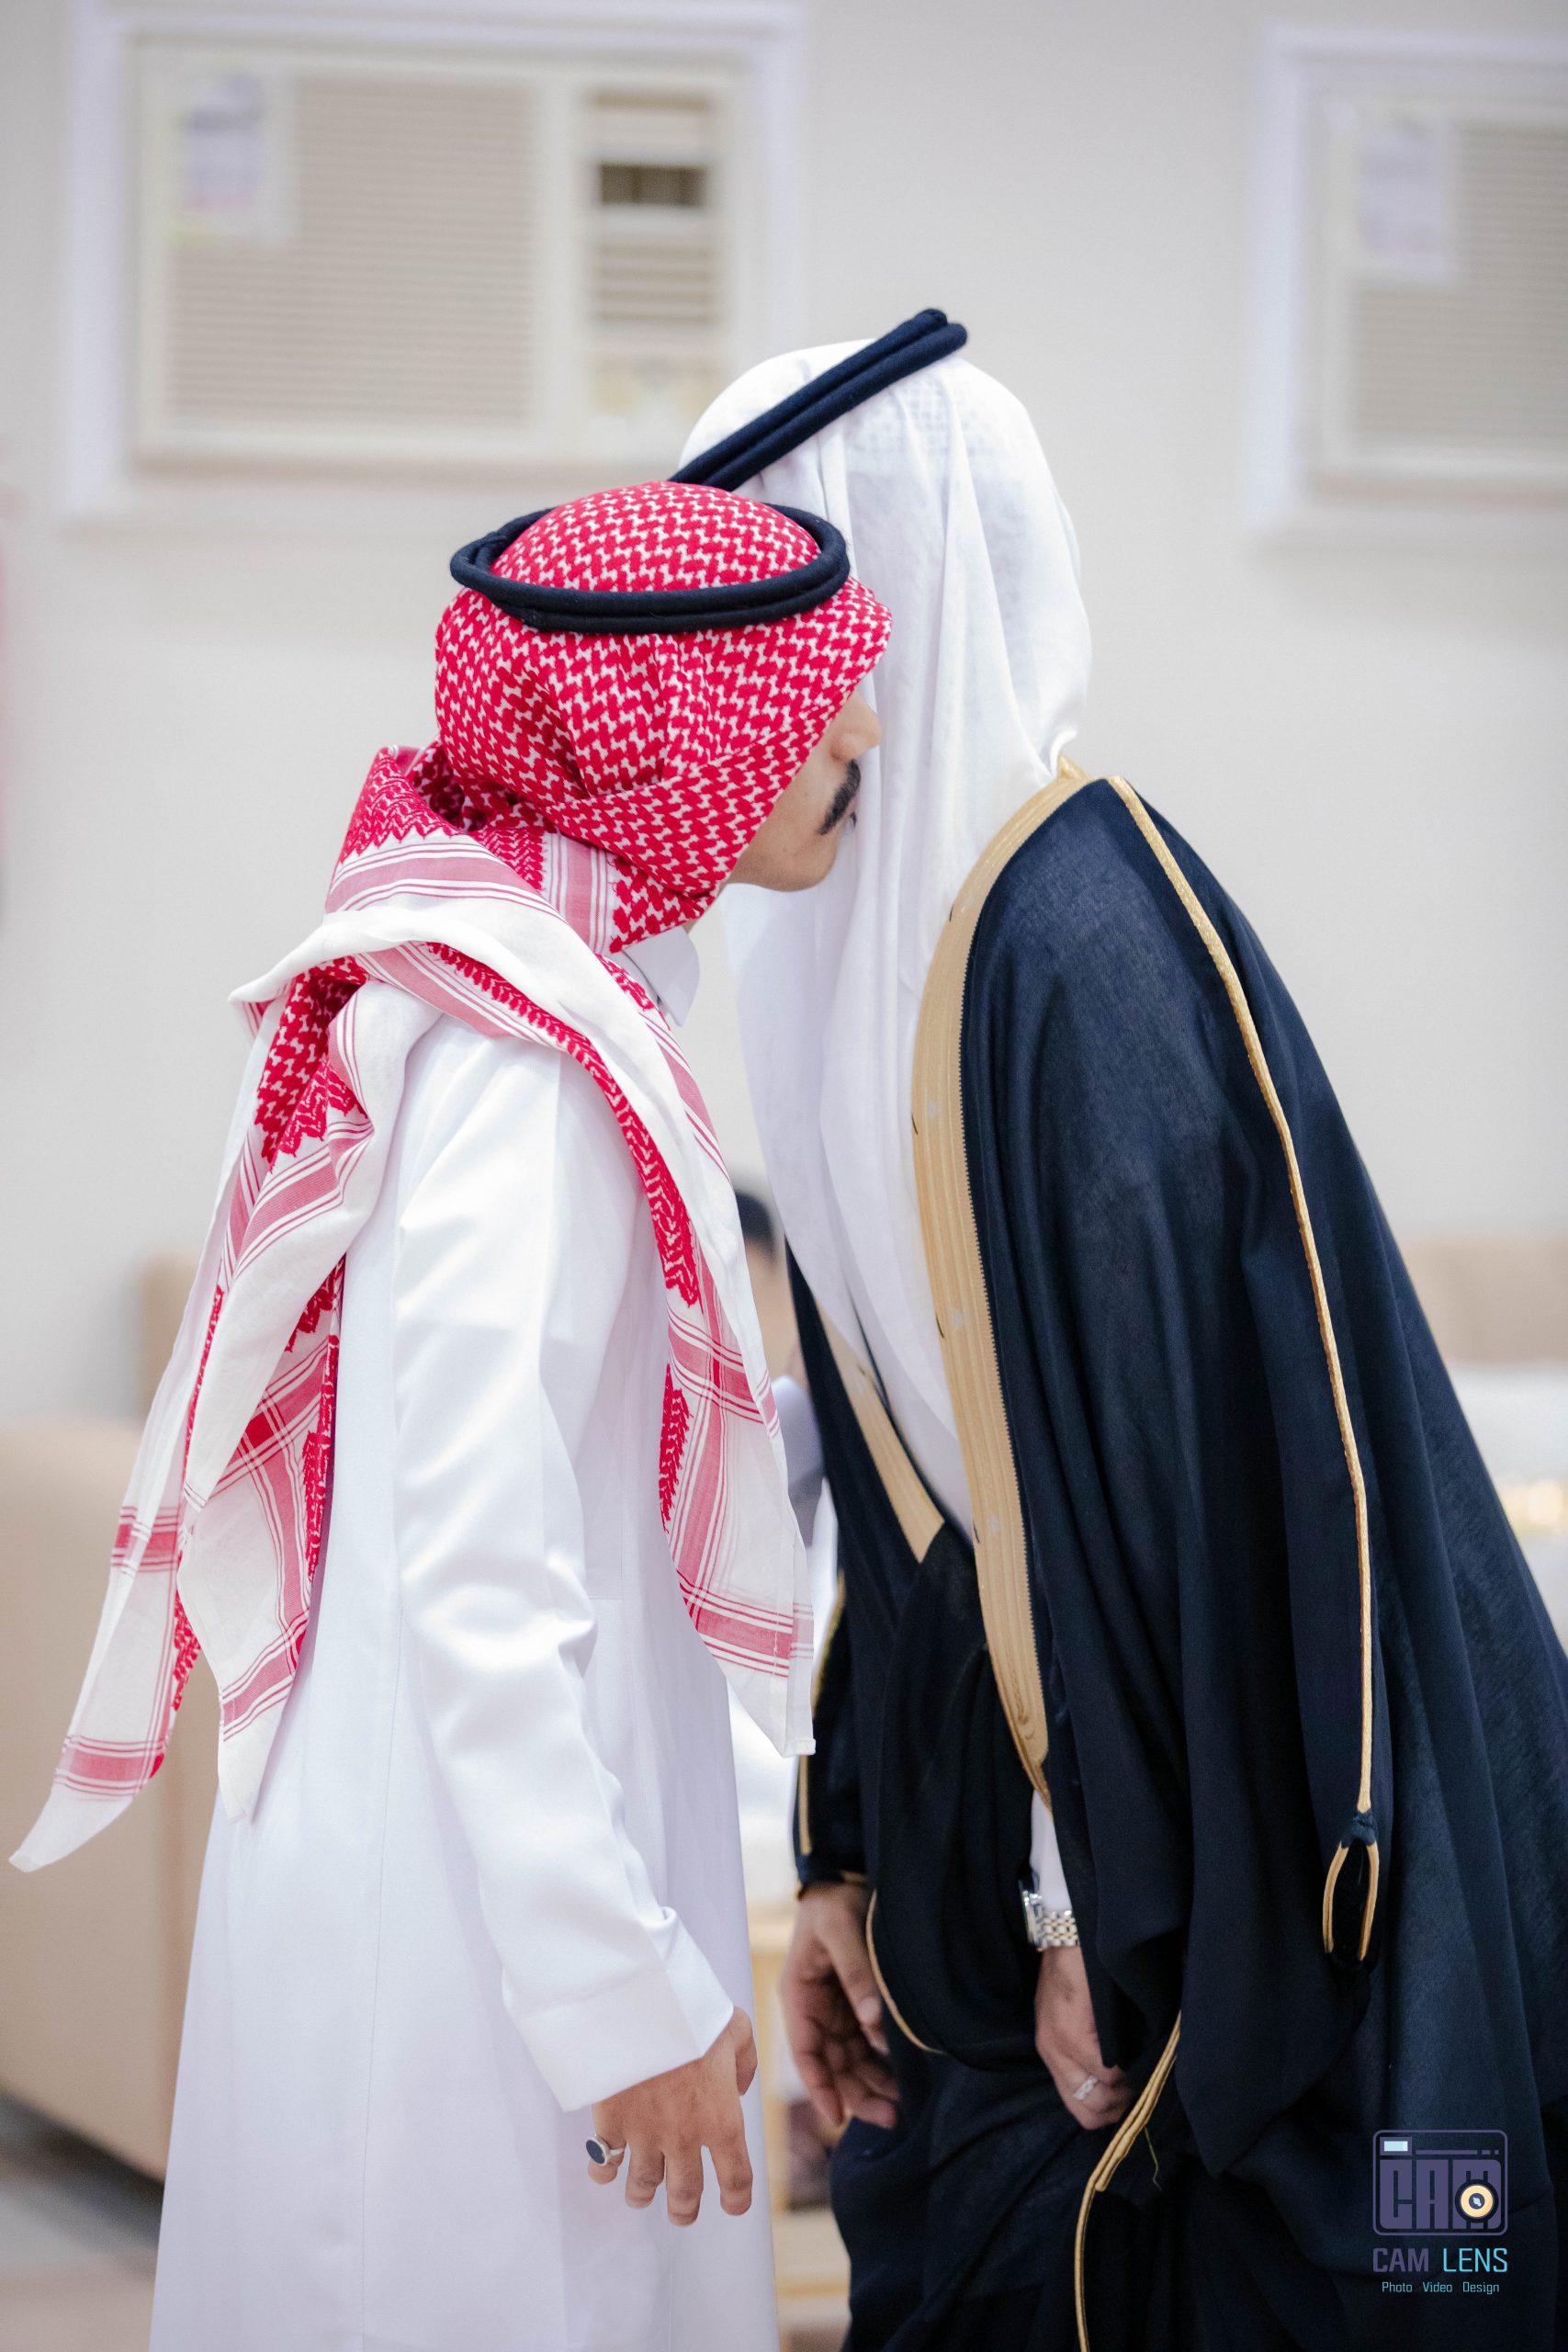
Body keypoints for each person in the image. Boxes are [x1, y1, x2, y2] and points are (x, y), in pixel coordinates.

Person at [678, 322, 1568, 2349]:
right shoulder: (838, 950)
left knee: (1377, 2262)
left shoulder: (1082, 948)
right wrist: (846, 1853)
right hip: (1008, 1889)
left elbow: (1196, 1505)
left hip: (1213, 1895)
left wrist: (1102, 1905)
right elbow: (915, 1498)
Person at [11, 480, 889, 2351]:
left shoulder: (517, 995)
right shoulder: (525, 1072)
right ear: (668, 742)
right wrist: (615, 1988)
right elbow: (469, 1571)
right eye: (817, 692)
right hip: (467, 1941)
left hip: (461, 1871)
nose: (863, 734)